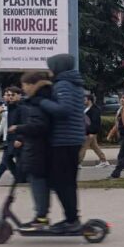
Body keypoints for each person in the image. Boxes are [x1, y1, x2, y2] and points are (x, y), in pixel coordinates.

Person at [38, 54, 86, 230]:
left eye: (51, 66)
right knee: (66, 182)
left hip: (64, 140)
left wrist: (42, 102)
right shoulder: (74, 84)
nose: (49, 70)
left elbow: (64, 109)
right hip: (71, 139)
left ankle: (72, 220)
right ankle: (72, 218)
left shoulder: (63, 85)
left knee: (62, 182)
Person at [8, 71, 55, 227]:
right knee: (39, 182)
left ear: (32, 85)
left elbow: (39, 126)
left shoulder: (38, 101)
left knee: (38, 182)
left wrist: (19, 129)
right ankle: (41, 216)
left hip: (39, 150)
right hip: (39, 149)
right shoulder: (41, 99)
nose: (23, 88)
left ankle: (41, 217)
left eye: (25, 85)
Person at [0, 87, 23, 185]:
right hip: (8, 139)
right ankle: (19, 178)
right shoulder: (5, 107)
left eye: (12, 95)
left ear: (19, 95)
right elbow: (3, 123)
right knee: (6, 161)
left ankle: (20, 178)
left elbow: (21, 123)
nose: (9, 97)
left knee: (9, 160)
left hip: (16, 139)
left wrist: (20, 139)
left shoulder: (20, 107)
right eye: (7, 95)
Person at [78, 93, 109, 168]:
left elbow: (95, 122)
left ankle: (78, 163)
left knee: (83, 146)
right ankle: (104, 161)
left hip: (90, 132)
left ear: (89, 100)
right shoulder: (85, 109)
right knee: (94, 146)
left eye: (85, 99)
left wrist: (92, 132)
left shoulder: (95, 109)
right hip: (87, 131)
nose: (83, 101)